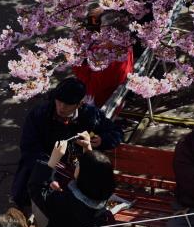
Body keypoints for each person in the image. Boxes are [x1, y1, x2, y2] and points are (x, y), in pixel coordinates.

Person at [11, 77, 123, 209]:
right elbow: (29, 149)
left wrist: (101, 140)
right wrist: (49, 175)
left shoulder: (91, 115)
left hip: (74, 173)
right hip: (41, 168)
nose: (61, 107)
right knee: (28, 199)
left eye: (68, 104)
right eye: (59, 102)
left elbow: (117, 133)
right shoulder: (39, 114)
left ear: (79, 104)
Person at [28, 134, 114, 227]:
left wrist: (52, 161)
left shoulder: (66, 203)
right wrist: (88, 150)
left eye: (79, 164)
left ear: (83, 175)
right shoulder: (101, 194)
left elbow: (35, 189)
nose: (77, 164)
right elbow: (94, 173)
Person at [72, 4, 135, 108]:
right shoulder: (125, 44)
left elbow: (90, 88)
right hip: (117, 96)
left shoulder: (104, 56)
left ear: (109, 31)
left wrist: (76, 62)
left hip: (102, 103)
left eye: (101, 26)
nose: (99, 31)